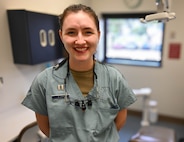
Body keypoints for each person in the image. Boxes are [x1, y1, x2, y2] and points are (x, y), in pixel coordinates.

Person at [22, 4, 137, 142]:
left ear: (98, 35)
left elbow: (119, 121)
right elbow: (44, 127)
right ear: (61, 35)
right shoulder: (43, 81)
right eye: (71, 32)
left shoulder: (114, 78)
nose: (80, 40)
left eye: (88, 32)